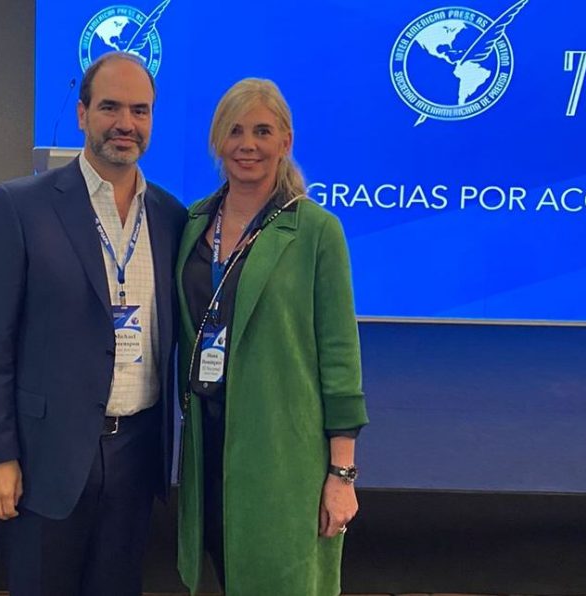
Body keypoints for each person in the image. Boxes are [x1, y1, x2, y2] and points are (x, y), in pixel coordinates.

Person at [0, 51, 186, 595]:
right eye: (110, 107)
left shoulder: (172, 217)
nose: (125, 124)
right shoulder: (19, 206)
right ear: (83, 113)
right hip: (46, 459)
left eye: (140, 110)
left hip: (137, 455)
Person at [175, 78, 369, 595]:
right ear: (217, 140)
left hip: (285, 455)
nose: (248, 144)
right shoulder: (193, 224)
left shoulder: (315, 231)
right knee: (218, 575)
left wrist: (342, 474)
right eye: (235, 131)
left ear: (285, 141)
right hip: (207, 446)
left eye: (263, 131)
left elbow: (340, 357)